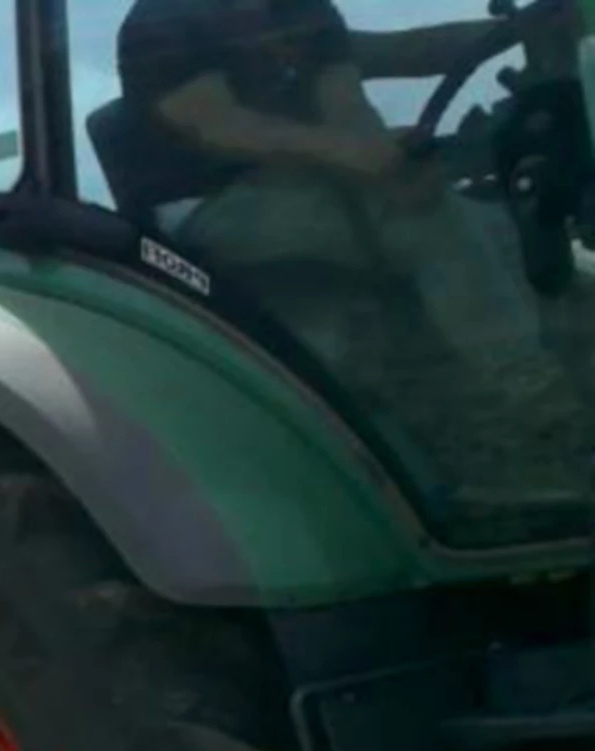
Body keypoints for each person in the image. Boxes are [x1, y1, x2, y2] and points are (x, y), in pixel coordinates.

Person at [112, 0, 581, 486]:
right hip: (207, 206)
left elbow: (346, 104)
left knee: (504, 225)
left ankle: (493, 418)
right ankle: (544, 415)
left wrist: (389, 167)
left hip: (301, 180)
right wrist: (358, 156)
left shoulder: (302, 10)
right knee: (429, 223)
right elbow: (218, 125)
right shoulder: (166, 19)